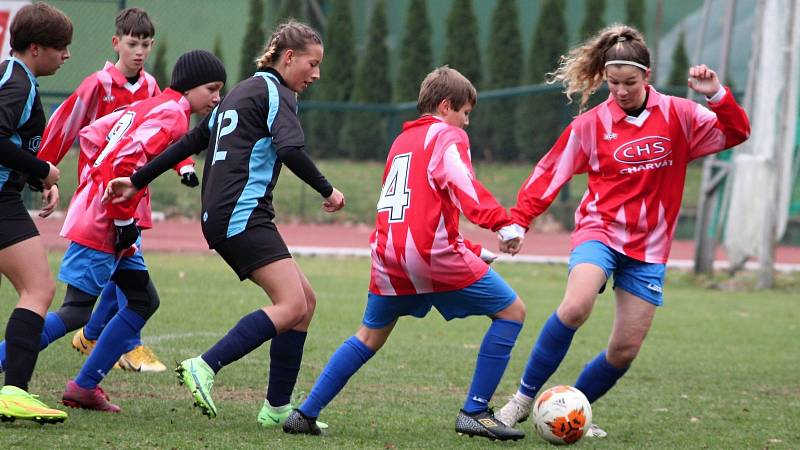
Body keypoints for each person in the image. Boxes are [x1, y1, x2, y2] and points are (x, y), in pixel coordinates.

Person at [495, 24, 750, 437]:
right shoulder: (591, 125)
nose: (620, 91)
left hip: (650, 247)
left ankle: (568, 411)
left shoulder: (681, 116)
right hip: (601, 230)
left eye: (629, 82)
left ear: (647, 77)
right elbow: (549, 172)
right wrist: (519, 220)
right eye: (612, 83)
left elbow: (736, 132)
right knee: (576, 306)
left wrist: (716, 95)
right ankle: (521, 401)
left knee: (625, 349)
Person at [102, 20, 345, 426]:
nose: (316, 74)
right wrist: (328, 190)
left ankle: (276, 408)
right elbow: (289, 148)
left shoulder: (244, 90)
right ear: (289, 58)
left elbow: (193, 141)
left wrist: (138, 179)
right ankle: (206, 366)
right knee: (292, 305)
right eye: (312, 64)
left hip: (229, 214)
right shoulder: (276, 92)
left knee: (305, 304)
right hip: (241, 214)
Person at [278, 66, 527, 441]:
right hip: (428, 256)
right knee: (512, 312)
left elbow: (418, 208)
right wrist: (501, 224)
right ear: (446, 107)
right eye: (465, 114)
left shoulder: (401, 143)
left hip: (388, 257)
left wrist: (473, 251)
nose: (467, 123)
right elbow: (463, 184)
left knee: (367, 337)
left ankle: (305, 413)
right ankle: (476, 411)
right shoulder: (447, 136)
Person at [54, 50, 226, 412]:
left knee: (143, 300)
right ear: (190, 86)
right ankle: (8, 358)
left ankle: (84, 387)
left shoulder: (154, 105)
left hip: (111, 219)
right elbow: (124, 163)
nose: (216, 97)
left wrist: (97, 190)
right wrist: (120, 221)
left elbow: (94, 137)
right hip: (105, 221)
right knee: (76, 312)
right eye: (211, 88)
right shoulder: (171, 114)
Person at [34, 7, 194, 373]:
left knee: (132, 282)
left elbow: (166, 139)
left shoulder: (152, 87)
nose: (139, 51)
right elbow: (66, 123)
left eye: (146, 45)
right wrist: (43, 171)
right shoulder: (99, 84)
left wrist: (183, 165)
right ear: (116, 43)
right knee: (112, 288)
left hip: (133, 198)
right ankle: (118, 343)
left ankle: (96, 348)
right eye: (133, 43)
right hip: (102, 202)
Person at [0, 2, 72, 424]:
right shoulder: (17, 82)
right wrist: (42, 168)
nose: (65, 55)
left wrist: (38, 180)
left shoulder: (18, 79)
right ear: (34, 47)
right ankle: (14, 392)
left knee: (37, 289)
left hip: (7, 197)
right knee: (39, 289)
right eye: (60, 47)